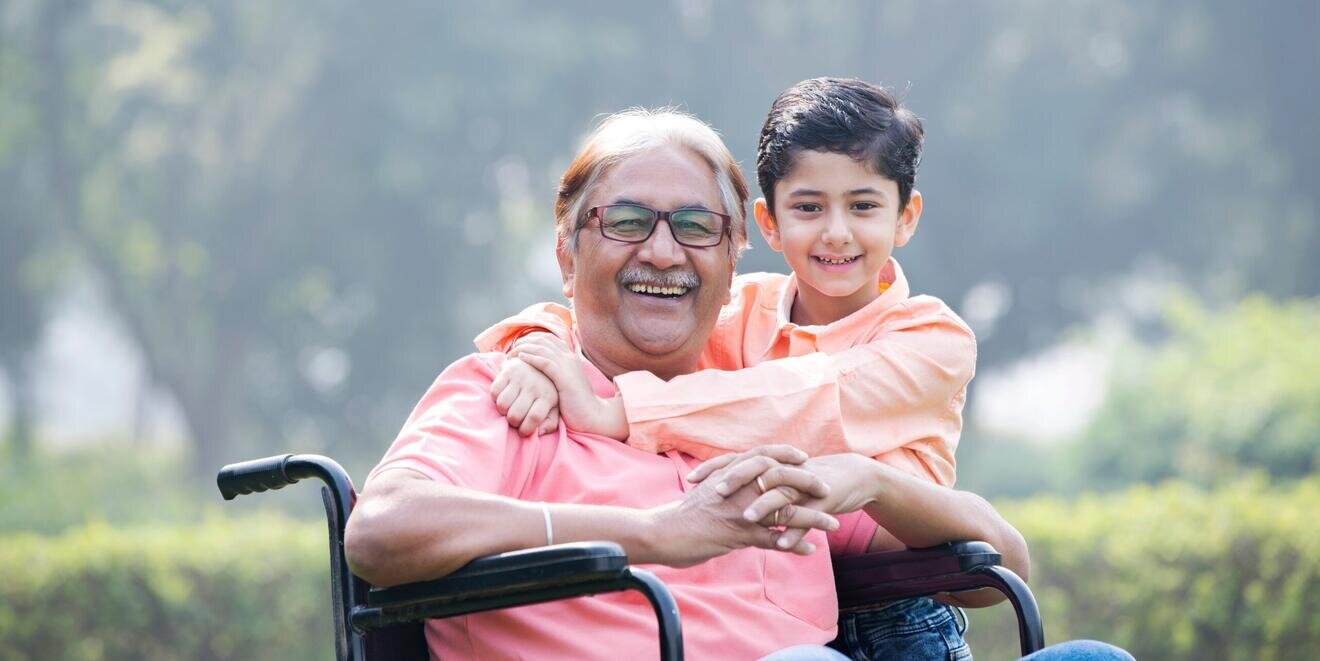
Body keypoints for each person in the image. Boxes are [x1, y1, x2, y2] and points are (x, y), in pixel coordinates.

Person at [346, 107, 1131, 661]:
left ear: (733, 271)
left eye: (695, 227)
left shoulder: (752, 403)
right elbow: (380, 530)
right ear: (565, 255)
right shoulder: (515, 391)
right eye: (625, 221)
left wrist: (867, 478)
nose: (662, 252)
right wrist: (657, 532)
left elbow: (998, 565)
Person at [475, 78, 987, 658]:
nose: (836, 232)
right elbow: (629, 315)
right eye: (809, 207)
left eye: (863, 205)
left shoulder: (931, 339)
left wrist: (619, 413)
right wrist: (535, 343)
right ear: (768, 224)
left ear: (905, 217)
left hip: (900, 607)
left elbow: (805, 399)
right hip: (777, 600)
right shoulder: (740, 311)